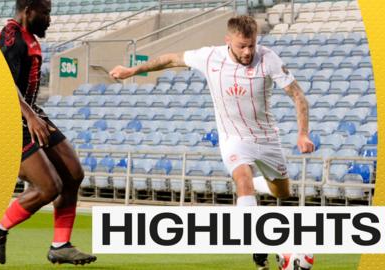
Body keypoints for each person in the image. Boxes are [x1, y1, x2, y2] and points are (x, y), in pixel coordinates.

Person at [109, 15, 314, 270]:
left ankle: (262, 189)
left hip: (268, 139)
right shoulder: (209, 57)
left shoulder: (269, 58)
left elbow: (298, 95)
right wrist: (132, 71)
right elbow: (170, 58)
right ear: (228, 41)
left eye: (252, 44)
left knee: (282, 192)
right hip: (234, 139)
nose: (248, 51)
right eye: (242, 46)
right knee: (242, 178)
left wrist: (303, 134)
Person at [0, 0, 96, 265]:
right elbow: (0, 81)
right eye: (46, 13)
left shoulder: (30, 38)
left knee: (73, 174)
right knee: (49, 187)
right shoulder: (11, 36)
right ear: (28, 11)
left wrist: (32, 113)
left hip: (29, 112)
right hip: (8, 120)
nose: (50, 19)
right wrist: (29, 115)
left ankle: (60, 245)